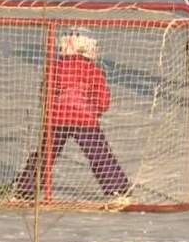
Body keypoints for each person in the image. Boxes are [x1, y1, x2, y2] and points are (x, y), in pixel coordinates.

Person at [12, 30, 131, 200]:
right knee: (99, 154)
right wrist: (96, 110)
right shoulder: (92, 69)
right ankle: (117, 189)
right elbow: (102, 98)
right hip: (84, 119)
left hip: (56, 119)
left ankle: (25, 191)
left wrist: (49, 110)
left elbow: (45, 92)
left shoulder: (55, 67)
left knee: (45, 154)